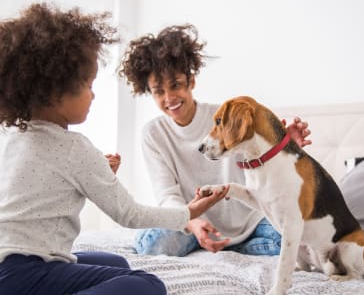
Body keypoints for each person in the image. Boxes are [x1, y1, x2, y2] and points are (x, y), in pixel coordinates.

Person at [0, 3, 227, 295]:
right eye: (88, 84)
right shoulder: (74, 147)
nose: (93, 94)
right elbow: (130, 215)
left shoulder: (19, 136)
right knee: (148, 285)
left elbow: (47, 194)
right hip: (24, 276)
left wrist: (94, 173)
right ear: (56, 89)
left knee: (115, 263)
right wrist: (188, 213)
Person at [119, 24, 311, 257]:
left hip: (248, 221)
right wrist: (192, 223)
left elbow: (260, 164)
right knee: (153, 245)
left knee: (299, 240)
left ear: (191, 82)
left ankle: (232, 246)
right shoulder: (153, 134)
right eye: (159, 91)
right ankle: (223, 245)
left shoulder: (226, 115)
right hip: (192, 221)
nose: (169, 98)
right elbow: (167, 195)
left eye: (176, 85)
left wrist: (283, 147)